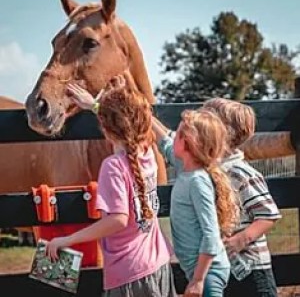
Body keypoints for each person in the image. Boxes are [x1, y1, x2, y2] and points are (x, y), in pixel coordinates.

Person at [46, 79, 177, 297]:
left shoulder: (113, 166)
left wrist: (67, 240)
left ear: (105, 130)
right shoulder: (149, 157)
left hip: (128, 275)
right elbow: (133, 126)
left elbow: (118, 220)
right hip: (158, 264)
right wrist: (98, 106)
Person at [152, 109, 239, 297]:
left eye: (177, 134)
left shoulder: (197, 181)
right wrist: (141, 112)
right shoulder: (186, 168)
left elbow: (211, 235)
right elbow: (164, 143)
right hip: (200, 270)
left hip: (208, 273)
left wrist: (198, 280)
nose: (172, 136)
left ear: (188, 143)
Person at [203, 97, 282, 297]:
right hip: (229, 267)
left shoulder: (241, 173)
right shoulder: (212, 170)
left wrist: (241, 239)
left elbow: (268, 214)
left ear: (224, 133)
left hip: (252, 269)